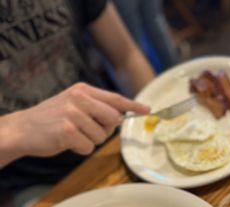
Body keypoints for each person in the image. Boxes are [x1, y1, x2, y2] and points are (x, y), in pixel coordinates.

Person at [0, 0, 155, 192]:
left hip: (111, 143)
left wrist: (157, 121)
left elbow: (125, 57)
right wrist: (19, 128)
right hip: (30, 183)